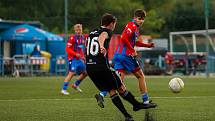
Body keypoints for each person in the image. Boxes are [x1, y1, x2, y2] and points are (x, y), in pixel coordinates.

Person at [86, 13, 155, 121]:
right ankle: (137, 105)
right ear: (111, 23)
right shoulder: (107, 31)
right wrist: (101, 46)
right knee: (121, 87)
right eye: (114, 24)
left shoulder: (91, 32)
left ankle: (127, 116)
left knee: (112, 90)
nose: (115, 26)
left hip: (90, 68)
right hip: (103, 67)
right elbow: (102, 36)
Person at [61, 24, 87, 95]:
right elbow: (67, 49)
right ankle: (63, 90)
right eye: (77, 30)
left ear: (82, 30)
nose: (78, 31)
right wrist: (75, 54)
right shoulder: (72, 38)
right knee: (71, 73)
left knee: (85, 72)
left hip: (79, 59)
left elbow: (80, 48)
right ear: (75, 31)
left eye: (80, 30)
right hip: (73, 59)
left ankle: (75, 85)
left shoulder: (82, 38)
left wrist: (82, 56)